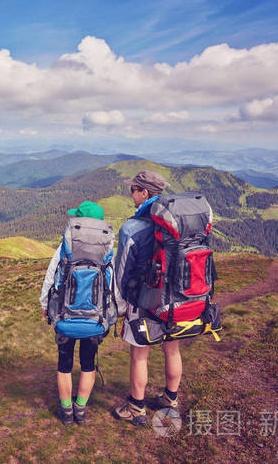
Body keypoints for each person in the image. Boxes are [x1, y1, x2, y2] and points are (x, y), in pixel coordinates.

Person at [112, 170, 181, 426]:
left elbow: (122, 272)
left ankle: (136, 408)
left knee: (140, 354)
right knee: (172, 348)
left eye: (133, 189)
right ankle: (170, 399)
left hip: (143, 299)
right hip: (177, 299)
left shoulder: (133, 227)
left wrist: (118, 306)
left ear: (144, 193)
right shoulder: (178, 222)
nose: (131, 194)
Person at [39, 200, 109, 425]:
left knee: (64, 363)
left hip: (65, 316)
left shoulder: (65, 248)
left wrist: (44, 305)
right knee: (88, 363)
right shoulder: (107, 249)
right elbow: (112, 284)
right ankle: (81, 408)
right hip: (94, 318)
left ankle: (66, 412)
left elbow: (51, 278)